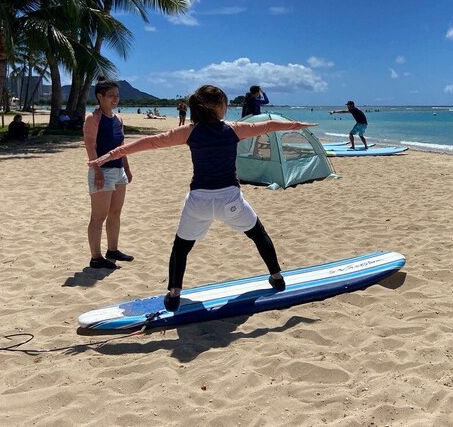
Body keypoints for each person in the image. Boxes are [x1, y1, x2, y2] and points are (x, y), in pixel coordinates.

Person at [87, 84, 317, 311]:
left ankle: (174, 293)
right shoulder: (234, 128)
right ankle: (277, 278)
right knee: (258, 234)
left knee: (181, 247)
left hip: (199, 203)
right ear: (217, 106)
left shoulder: (189, 131)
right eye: (225, 103)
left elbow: (148, 143)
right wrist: (297, 125)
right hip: (231, 201)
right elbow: (268, 126)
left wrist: (106, 157)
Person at [83, 80, 134, 270]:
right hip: (102, 171)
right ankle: (95, 258)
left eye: (117, 95)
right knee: (98, 216)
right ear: (100, 97)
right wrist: (97, 170)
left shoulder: (118, 119)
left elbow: (122, 147)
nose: (116, 98)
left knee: (115, 212)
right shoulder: (93, 118)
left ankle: (112, 250)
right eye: (111, 95)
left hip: (118, 170)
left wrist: (127, 169)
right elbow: (90, 145)